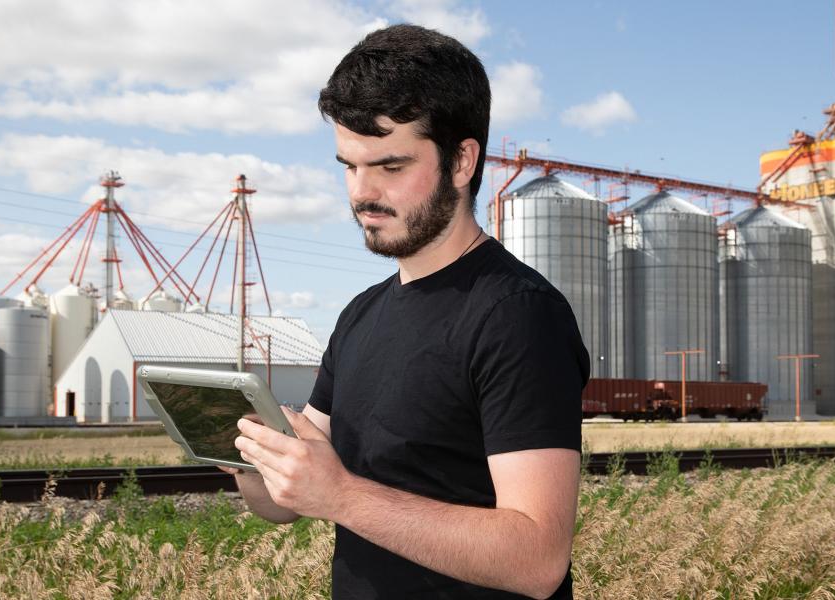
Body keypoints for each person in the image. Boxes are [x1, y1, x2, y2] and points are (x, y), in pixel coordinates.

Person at [230, 24, 590, 599]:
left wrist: (343, 495)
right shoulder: (359, 316)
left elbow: (538, 559)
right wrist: (247, 454)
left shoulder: (518, 315)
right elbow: (283, 504)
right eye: (349, 166)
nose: (361, 192)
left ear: (462, 160)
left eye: (390, 167)